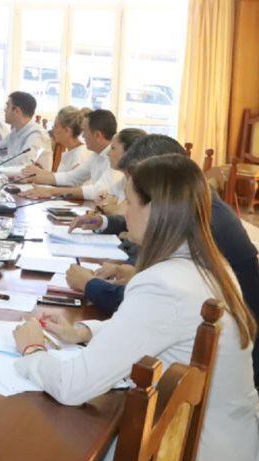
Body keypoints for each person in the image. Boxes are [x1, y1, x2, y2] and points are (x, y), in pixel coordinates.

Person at [12, 155, 259, 461]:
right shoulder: (211, 264)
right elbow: (153, 328)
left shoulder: (164, 284)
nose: (124, 212)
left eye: (129, 203)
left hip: (189, 448)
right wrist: (81, 330)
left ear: (155, 210)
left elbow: (72, 387)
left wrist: (32, 350)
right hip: (230, 440)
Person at [62, 135, 259, 388]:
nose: (127, 208)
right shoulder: (194, 209)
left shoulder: (206, 224)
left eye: (133, 199)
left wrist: (90, 285)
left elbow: (156, 302)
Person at [22, 109, 118, 200]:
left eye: (85, 131)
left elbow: (97, 191)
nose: (83, 136)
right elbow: (72, 177)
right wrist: (39, 175)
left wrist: (51, 191)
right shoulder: (96, 155)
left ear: (97, 135)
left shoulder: (116, 157)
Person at [0, 91, 52, 169]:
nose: (4, 110)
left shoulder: (37, 134)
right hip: (14, 178)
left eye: (7, 106)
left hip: (32, 181)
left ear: (17, 111)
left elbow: (22, 163)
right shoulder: (16, 132)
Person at [48, 106, 93, 174]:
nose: (53, 130)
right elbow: (61, 179)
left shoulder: (80, 155)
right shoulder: (69, 150)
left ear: (67, 131)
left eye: (55, 126)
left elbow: (74, 184)